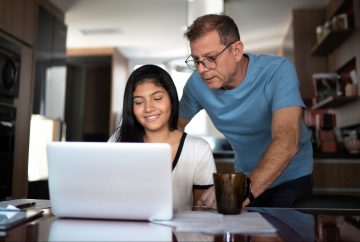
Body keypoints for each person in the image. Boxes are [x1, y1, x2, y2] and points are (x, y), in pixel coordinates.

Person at [179, 14, 313, 208]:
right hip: (245, 175)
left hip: (291, 176)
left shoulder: (277, 71)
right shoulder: (197, 85)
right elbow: (172, 129)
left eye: (210, 58)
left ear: (236, 50)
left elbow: (287, 138)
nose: (201, 69)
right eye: (196, 60)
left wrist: (244, 189)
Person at [109, 64, 216, 211]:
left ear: (172, 100)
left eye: (157, 98)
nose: (148, 108)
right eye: (139, 102)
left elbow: (203, 213)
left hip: (179, 234)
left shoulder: (198, 149)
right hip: (127, 231)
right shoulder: (117, 141)